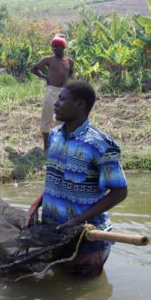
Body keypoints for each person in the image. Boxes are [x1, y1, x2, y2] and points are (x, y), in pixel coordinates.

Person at [21, 81, 128, 277]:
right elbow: (57, 181)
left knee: (84, 298)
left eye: (62, 99)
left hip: (86, 240)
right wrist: (34, 207)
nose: (55, 104)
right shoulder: (55, 136)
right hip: (54, 232)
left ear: (79, 104)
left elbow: (120, 192)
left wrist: (78, 220)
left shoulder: (100, 145)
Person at [30, 33, 74, 151]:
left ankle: (57, 146)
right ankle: (45, 148)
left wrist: (65, 83)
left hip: (63, 93)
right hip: (51, 90)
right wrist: (45, 77)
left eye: (57, 46)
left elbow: (71, 72)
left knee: (61, 119)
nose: (55, 49)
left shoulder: (69, 61)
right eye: (53, 46)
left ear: (63, 47)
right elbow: (34, 69)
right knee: (47, 117)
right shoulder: (48, 60)